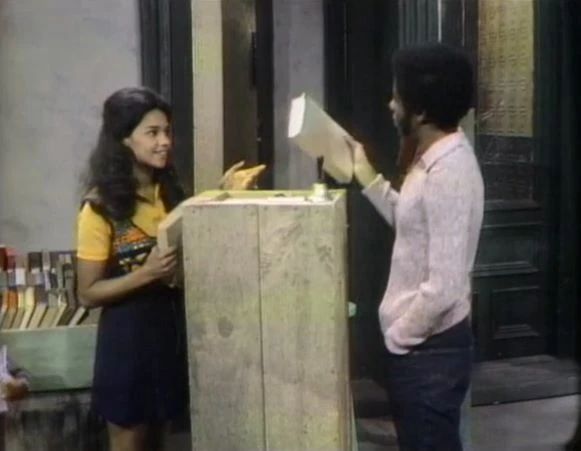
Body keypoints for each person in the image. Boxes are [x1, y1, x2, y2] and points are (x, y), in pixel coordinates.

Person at [75, 86, 265, 451]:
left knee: (160, 442)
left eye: (166, 131)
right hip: (127, 346)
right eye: (152, 133)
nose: (164, 142)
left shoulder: (169, 191)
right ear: (124, 139)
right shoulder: (99, 207)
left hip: (168, 334)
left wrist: (222, 194)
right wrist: (145, 274)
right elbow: (87, 293)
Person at [348, 43, 484, 450]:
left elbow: (444, 287)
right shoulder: (432, 161)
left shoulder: (448, 173)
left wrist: (399, 337)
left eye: (397, 96)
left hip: (429, 354)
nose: (391, 105)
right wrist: (366, 176)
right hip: (423, 351)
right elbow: (411, 224)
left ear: (421, 111)